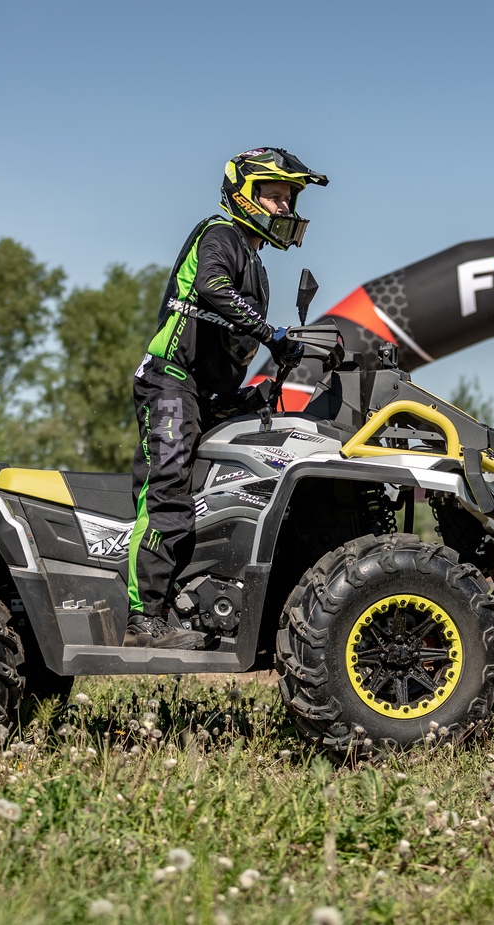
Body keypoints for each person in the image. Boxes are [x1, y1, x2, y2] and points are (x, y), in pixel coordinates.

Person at [125, 148, 328, 648]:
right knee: (167, 491)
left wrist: (250, 392)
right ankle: (141, 618)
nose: (284, 207)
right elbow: (212, 287)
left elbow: (225, 341)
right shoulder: (219, 234)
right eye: (274, 195)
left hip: (203, 391)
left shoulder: (257, 266)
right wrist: (271, 334)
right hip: (170, 380)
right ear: (244, 194)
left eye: (289, 198)